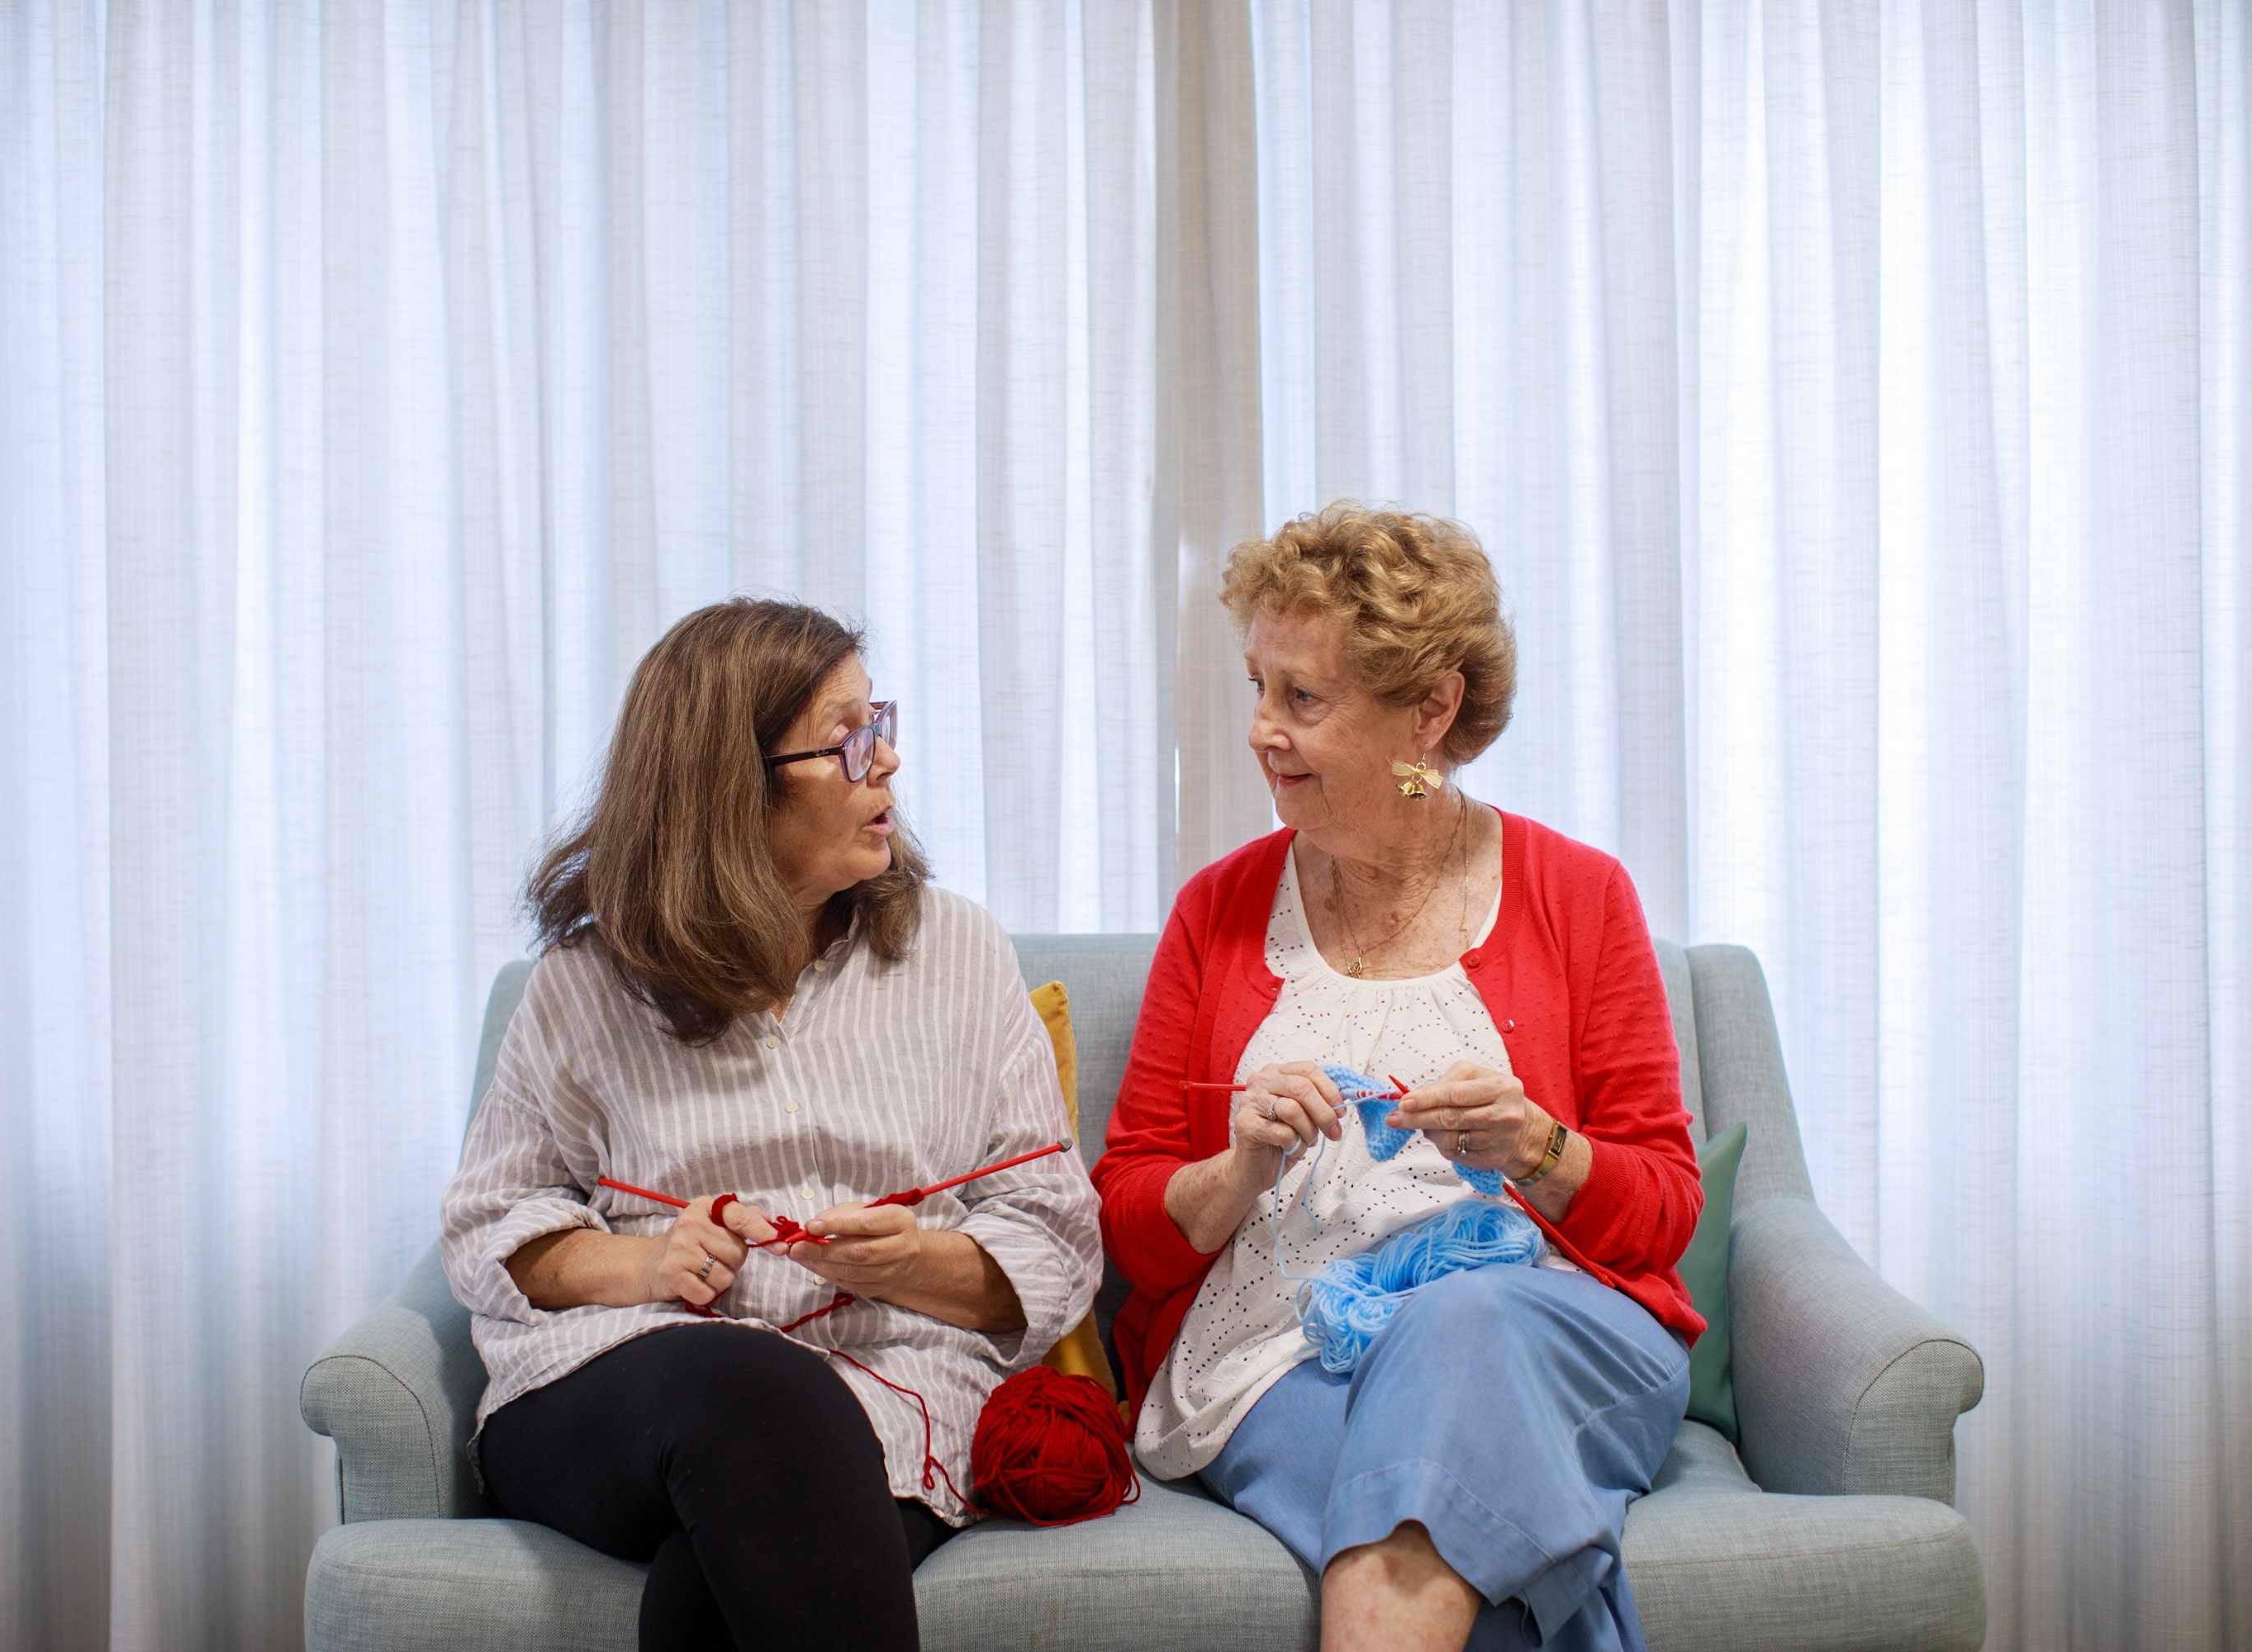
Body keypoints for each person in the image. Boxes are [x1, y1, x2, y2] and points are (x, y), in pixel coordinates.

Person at [1093, 505, 1703, 1652]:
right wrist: (1236, 1169)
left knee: (1456, 1324)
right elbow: (1126, 1216)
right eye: (1257, 687)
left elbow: (1665, 1209)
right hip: (1277, 1353)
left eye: (1304, 699)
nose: (1262, 730)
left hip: (1545, 1328)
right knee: (1470, 1541)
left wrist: (1538, 1147)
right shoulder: (1217, 912)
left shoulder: (1581, 896)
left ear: (1430, 710)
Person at [444, 598, 1100, 1652]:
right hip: (620, 1390)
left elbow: (1055, 1229)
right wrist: (645, 1264)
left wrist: (915, 1263)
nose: (886, 760)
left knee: (718, 1577)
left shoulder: (962, 956)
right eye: (849, 738)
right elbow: (491, 1226)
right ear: (730, 785)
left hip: (887, 1392)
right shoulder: (584, 984)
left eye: (878, 722)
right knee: (755, 1386)